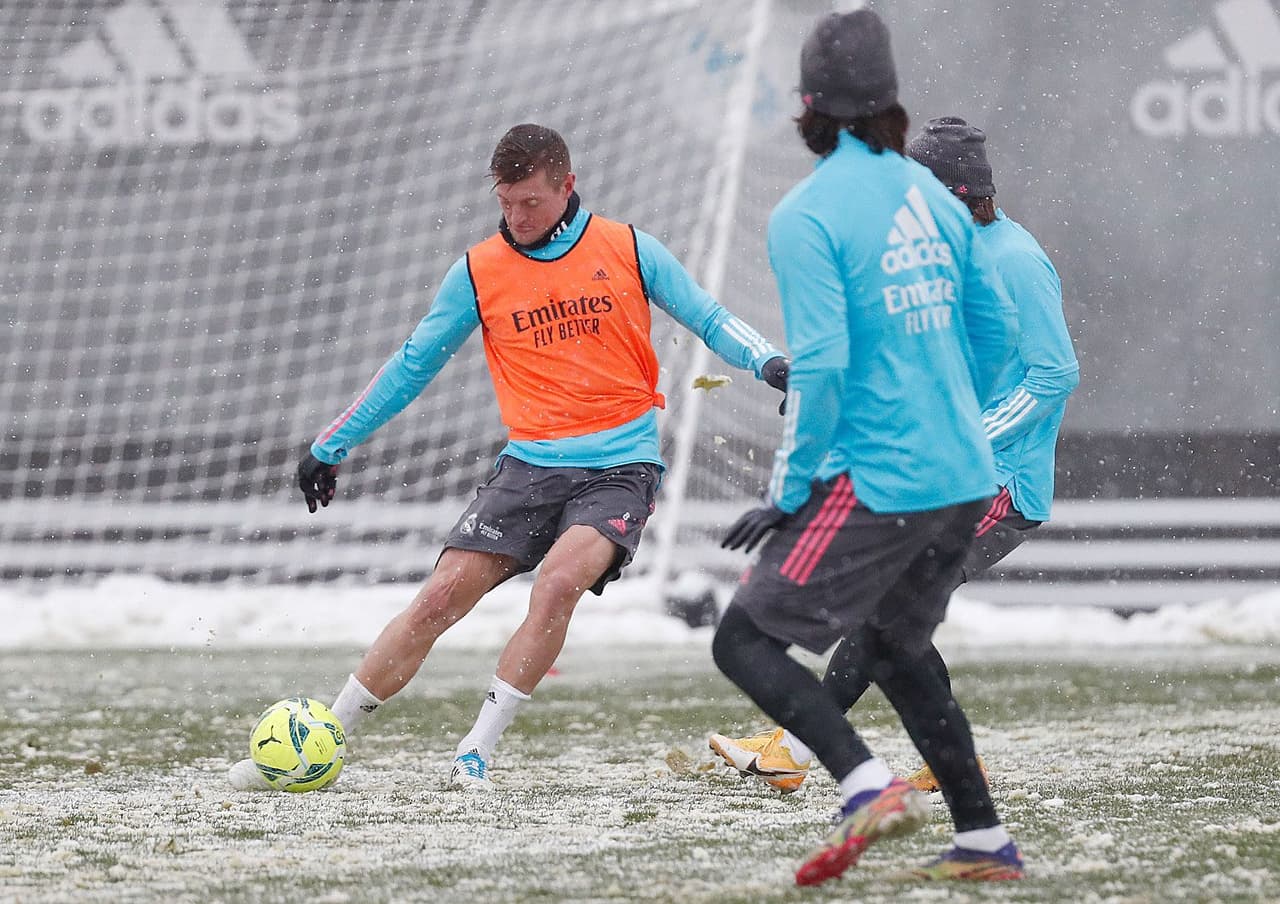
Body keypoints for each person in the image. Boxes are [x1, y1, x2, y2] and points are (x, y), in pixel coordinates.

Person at [227, 123, 788, 791]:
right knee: (438, 599)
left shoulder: (630, 248)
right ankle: (324, 737)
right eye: (506, 202)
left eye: (530, 203)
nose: (516, 218)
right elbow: (412, 365)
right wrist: (331, 445)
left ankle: (475, 753)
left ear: (567, 186)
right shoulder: (478, 272)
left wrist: (768, 361)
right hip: (527, 468)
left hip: (620, 468)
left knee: (556, 585)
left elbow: (709, 316)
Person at [709, 10, 1025, 886]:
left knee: (742, 641)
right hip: (965, 474)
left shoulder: (806, 212)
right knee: (894, 647)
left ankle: (864, 784)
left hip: (888, 478)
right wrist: (945, 403)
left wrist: (790, 488)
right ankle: (983, 841)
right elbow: (993, 332)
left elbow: (822, 367)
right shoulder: (934, 196)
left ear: (806, 106)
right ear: (891, 101)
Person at [710, 116, 1080, 797]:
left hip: (996, 482)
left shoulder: (1015, 259)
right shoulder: (939, 258)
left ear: (955, 194)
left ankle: (794, 746)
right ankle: (947, 764)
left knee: (881, 607)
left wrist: (970, 435)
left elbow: (1054, 373)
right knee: (890, 620)